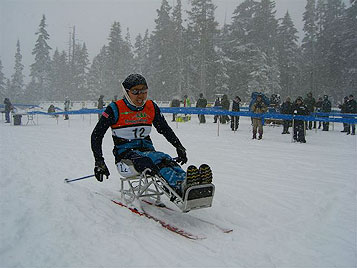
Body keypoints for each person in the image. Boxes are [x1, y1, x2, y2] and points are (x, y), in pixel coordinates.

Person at [90, 74, 213, 197]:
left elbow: (164, 128)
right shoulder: (115, 109)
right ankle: (179, 185)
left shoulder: (151, 107)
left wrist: (178, 146)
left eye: (144, 91)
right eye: (135, 92)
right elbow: (96, 135)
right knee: (152, 161)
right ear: (126, 92)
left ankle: (191, 181)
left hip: (147, 150)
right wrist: (99, 162)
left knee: (165, 158)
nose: (141, 96)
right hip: (125, 155)